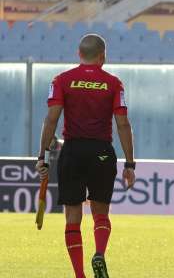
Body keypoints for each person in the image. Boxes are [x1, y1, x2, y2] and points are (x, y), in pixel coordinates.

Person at [35, 34, 136, 278]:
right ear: (103, 56)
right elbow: (122, 123)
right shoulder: (113, 83)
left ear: (79, 54)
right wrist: (130, 163)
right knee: (101, 212)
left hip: (72, 151)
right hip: (101, 151)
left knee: (72, 217)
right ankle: (99, 252)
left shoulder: (62, 80)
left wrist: (42, 156)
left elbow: (51, 118)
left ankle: (79, 275)